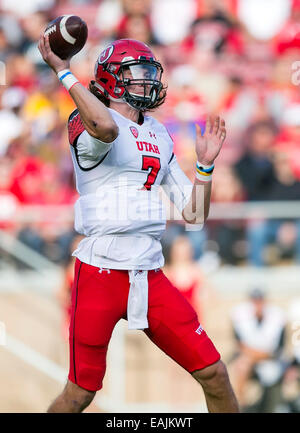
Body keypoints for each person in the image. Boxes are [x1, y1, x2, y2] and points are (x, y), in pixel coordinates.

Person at [38, 34, 239, 413]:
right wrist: (64, 72)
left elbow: (194, 213)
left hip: (148, 272)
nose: (148, 81)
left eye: (151, 72)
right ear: (113, 78)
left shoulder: (159, 132)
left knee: (215, 373)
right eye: (139, 73)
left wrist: (205, 166)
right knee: (80, 393)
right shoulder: (87, 118)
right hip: (100, 270)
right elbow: (106, 128)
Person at [230, 288, 286, 411]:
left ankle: (239, 403)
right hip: (251, 361)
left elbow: (278, 351)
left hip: (271, 362)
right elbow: (239, 345)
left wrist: (254, 356)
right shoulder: (240, 317)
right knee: (242, 365)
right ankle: (240, 402)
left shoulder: (277, 318)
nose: (257, 305)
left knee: (244, 363)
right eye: (255, 301)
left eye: (259, 301)